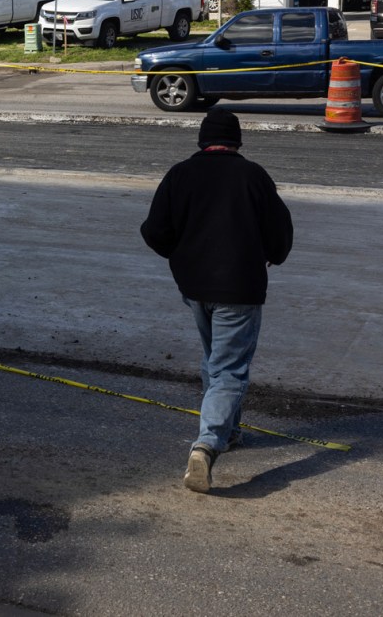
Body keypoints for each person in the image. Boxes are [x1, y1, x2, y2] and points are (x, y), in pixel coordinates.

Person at [140, 109, 294, 493]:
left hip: (195, 287)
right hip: (239, 289)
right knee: (229, 369)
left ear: (202, 141)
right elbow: (281, 230)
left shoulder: (180, 174)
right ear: (237, 141)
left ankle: (230, 431)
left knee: (215, 360)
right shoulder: (253, 176)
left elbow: (154, 230)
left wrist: (183, 255)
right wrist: (273, 254)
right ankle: (207, 445)